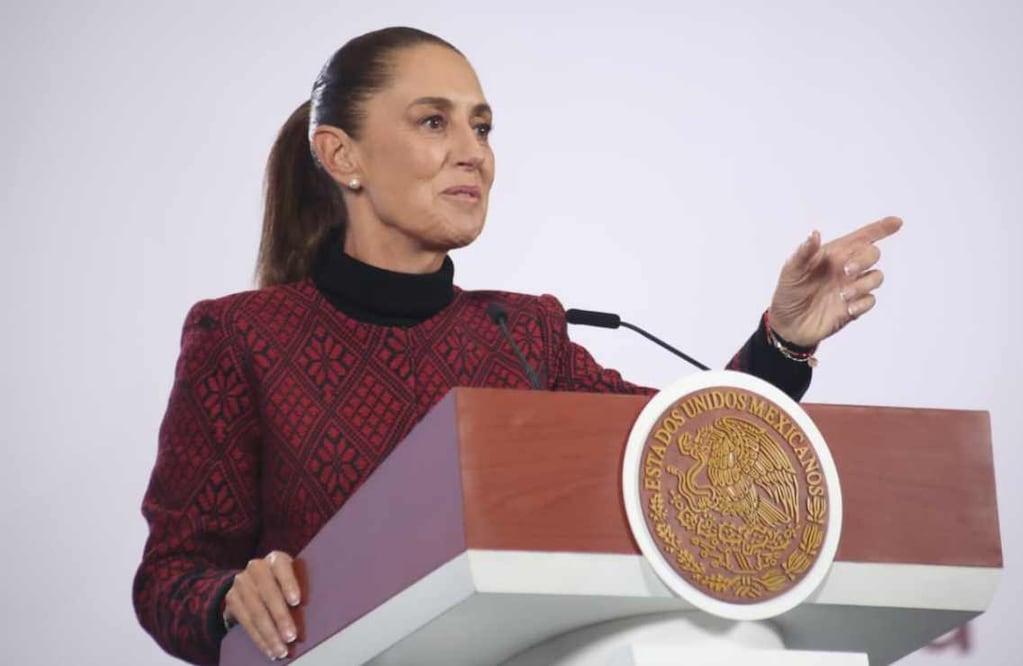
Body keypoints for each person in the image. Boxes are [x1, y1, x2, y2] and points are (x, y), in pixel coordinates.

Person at [132, 27, 901, 665]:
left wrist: (783, 340)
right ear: (342, 157)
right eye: (434, 122)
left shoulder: (523, 333)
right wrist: (227, 595)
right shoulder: (240, 337)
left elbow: (684, 454)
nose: (474, 152)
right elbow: (170, 575)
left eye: (482, 126)